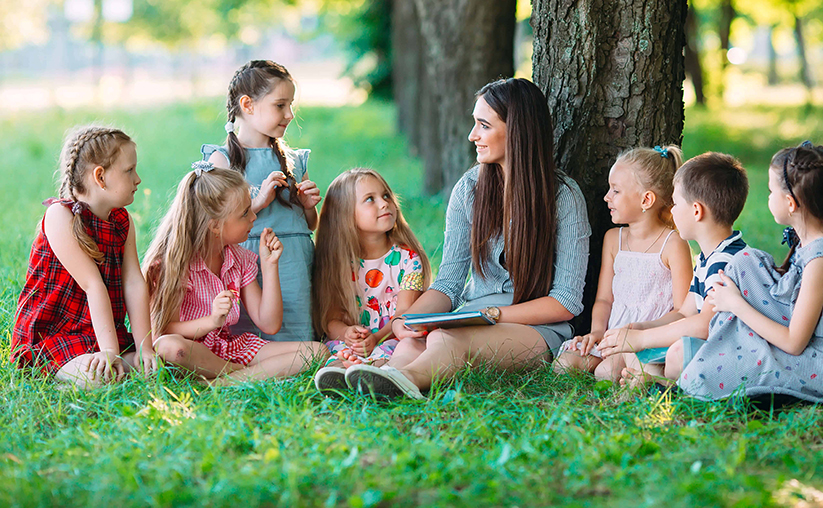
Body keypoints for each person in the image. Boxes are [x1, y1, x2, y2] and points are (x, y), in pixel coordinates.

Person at [339, 77, 591, 399]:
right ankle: (383, 377)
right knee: (417, 337)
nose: (473, 136)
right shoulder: (469, 188)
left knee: (446, 339)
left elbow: (565, 303)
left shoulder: (564, 197)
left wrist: (493, 315)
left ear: (516, 132)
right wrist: (410, 318)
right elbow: (449, 283)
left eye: (483, 126)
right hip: (472, 316)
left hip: (536, 329)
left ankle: (406, 380)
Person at [678, 142, 823, 402]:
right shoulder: (811, 242)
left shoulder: (820, 262)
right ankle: (727, 346)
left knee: (712, 374)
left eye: (770, 190)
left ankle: (718, 361)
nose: (768, 197)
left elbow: (793, 343)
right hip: (806, 350)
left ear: (790, 203)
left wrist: (736, 305)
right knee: (743, 261)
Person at [144, 163, 327, 382]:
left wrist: (269, 266)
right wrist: (212, 320)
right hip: (191, 350)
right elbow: (164, 330)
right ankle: (239, 374)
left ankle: (223, 382)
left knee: (317, 352)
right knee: (169, 348)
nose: (253, 218)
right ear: (215, 226)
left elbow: (269, 323)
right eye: (244, 213)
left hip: (230, 348)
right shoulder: (173, 264)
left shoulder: (238, 259)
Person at [11, 126, 158, 387]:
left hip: (99, 330)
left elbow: (134, 282)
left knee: (156, 362)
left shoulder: (122, 221)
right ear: (100, 177)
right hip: (57, 333)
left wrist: (145, 347)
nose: (138, 179)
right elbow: (93, 285)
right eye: (129, 170)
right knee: (103, 376)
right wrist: (111, 354)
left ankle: (107, 362)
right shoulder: (60, 216)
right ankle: (61, 374)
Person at [597, 152, 751, 387]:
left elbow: (704, 324)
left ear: (696, 211)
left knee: (676, 355)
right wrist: (639, 328)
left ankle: (662, 386)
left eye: (676, 203)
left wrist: (642, 338)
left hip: (735, 352)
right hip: (714, 347)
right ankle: (655, 381)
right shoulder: (707, 258)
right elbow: (684, 313)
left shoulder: (726, 262)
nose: (672, 210)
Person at [202, 59, 321, 341]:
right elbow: (215, 222)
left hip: (293, 257)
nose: (290, 114)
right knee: (250, 329)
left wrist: (308, 206)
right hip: (246, 257)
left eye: (291, 105)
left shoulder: (293, 160)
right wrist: (258, 202)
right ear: (248, 105)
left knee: (297, 331)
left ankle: (294, 357)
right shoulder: (223, 159)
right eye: (280, 105)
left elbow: (310, 224)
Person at [552, 146, 692, 381]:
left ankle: (640, 373)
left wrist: (640, 330)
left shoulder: (673, 244)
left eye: (616, 191)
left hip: (648, 339)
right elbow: (605, 299)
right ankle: (615, 365)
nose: (607, 197)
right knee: (563, 364)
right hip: (610, 336)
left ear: (646, 199)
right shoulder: (613, 239)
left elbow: (682, 312)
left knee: (605, 373)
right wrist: (596, 332)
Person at [311, 169, 431, 393]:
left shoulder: (408, 259)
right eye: (370, 199)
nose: (384, 203)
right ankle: (342, 371)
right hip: (358, 341)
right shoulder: (339, 264)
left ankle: (375, 374)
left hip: (391, 335)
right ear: (345, 216)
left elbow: (403, 316)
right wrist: (347, 333)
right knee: (338, 349)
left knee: (404, 347)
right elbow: (331, 319)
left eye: (386, 196)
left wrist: (376, 338)